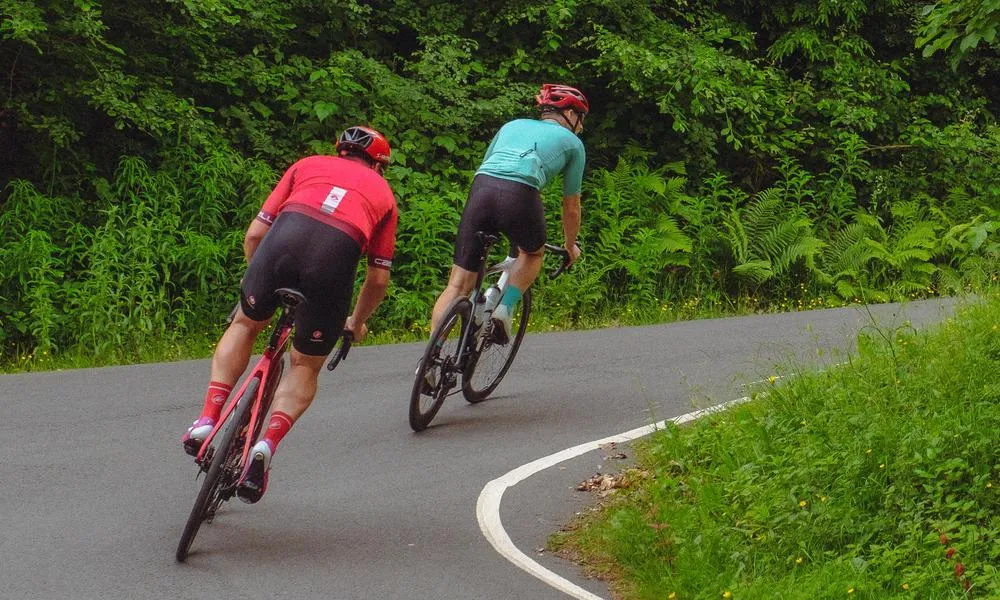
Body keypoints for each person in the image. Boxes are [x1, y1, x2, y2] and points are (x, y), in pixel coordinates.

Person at [181, 126, 398, 503]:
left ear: (339, 151)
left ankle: (206, 420)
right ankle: (265, 445)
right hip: (334, 261)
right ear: (378, 166)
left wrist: (257, 281)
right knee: (304, 365)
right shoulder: (384, 194)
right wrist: (356, 321)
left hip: (281, 245)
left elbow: (253, 236)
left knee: (246, 324)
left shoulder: (305, 165)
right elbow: (378, 278)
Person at [429, 83, 587, 343]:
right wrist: (570, 246)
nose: (580, 127)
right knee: (533, 253)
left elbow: (488, 165)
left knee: (457, 285)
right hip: (520, 192)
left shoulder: (511, 126)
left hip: (482, 188)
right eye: (581, 120)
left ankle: (429, 359)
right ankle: (504, 309)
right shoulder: (573, 143)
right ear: (570, 114)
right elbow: (571, 206)